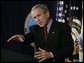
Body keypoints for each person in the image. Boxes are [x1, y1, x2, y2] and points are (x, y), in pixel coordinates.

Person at [7, 4, 74, 62]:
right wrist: (22, 38)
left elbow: (69, 49)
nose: (37, 20)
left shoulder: (63, 27)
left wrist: (51, 54)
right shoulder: (35, 28)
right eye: (35, 17)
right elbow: (28, 37)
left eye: (39, 15)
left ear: (47, 14)